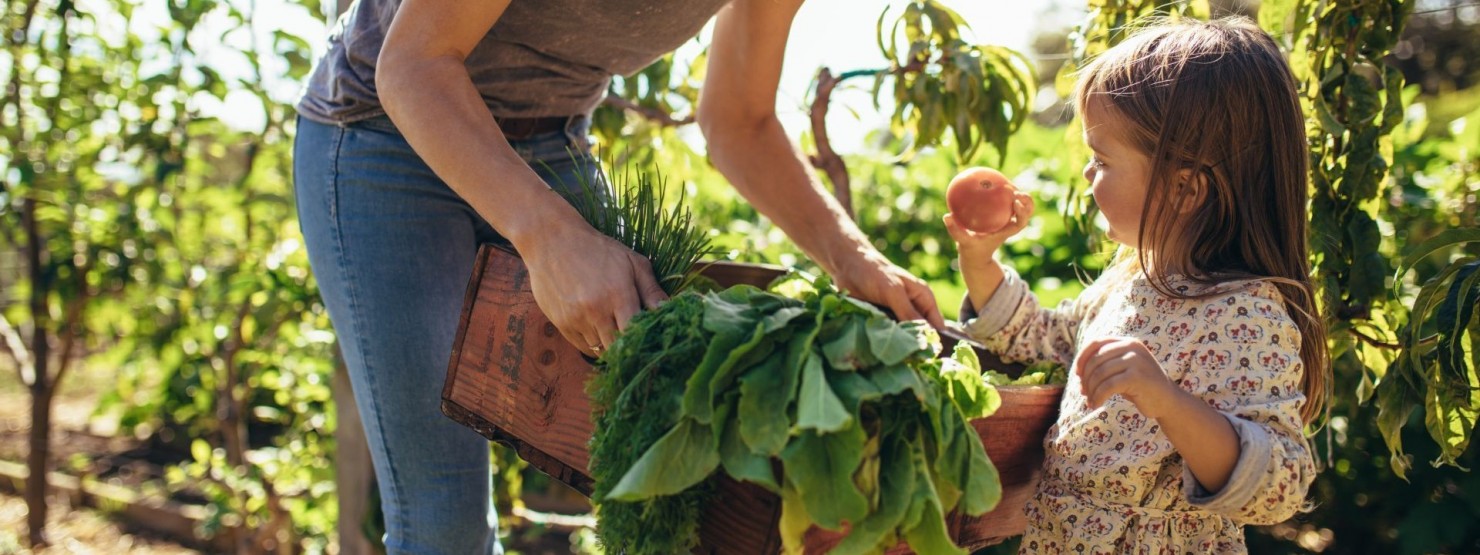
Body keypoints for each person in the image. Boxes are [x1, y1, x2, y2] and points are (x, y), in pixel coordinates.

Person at [292, 0, 944, 552]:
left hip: (551, 140)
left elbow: (739, 120)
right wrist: (551, 239)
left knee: (662, 453)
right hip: (384, 136)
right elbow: (414, 65)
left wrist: (856, 258)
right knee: (444, 510)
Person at [945, 18, 1327, 553]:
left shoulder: (1245, 315)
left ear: (1184, 187)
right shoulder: (1128, 283)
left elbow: (1278, 487)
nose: (1086, 176)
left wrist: (1168, 402)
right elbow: (1038, 336)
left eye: (1101, 160)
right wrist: (979, 259)